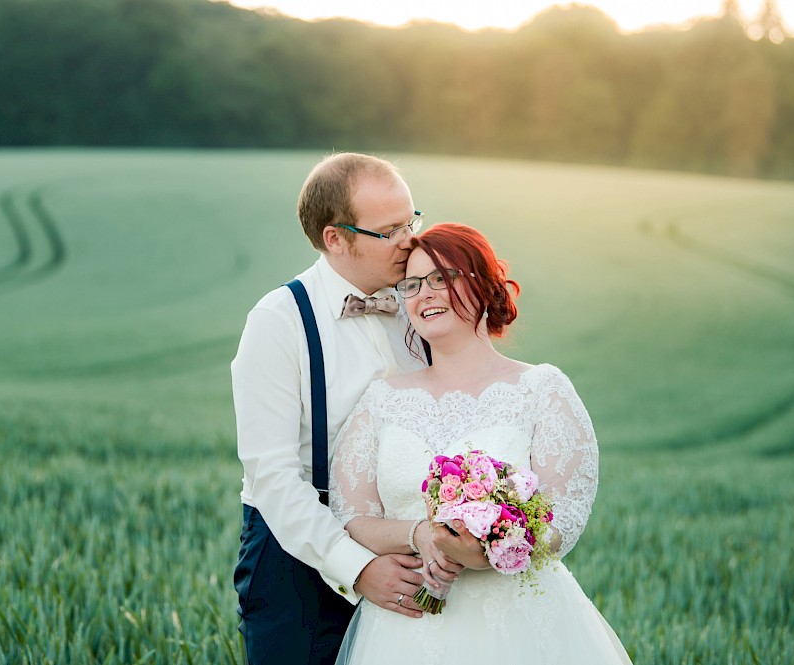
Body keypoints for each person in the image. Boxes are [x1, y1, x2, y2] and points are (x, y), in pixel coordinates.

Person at [330, 223, 632, 664]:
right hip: (408, 626)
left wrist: (488, 548)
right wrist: (423, 536)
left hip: (518, 625)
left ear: (485, 285)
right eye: (411, 284)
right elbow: (353, 516)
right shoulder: (381, 400)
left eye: (442, 278)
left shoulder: (542, 389)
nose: (424, 293)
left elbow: (562, 516)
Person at [232, 153, 445, 664]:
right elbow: (272, 478)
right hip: (298, 560)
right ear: (335, 238)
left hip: (417, 552)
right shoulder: (278, 322)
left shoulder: (424, 305)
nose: (411, 240)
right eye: (389, 230)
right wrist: (357, 566)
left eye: (412, 221)